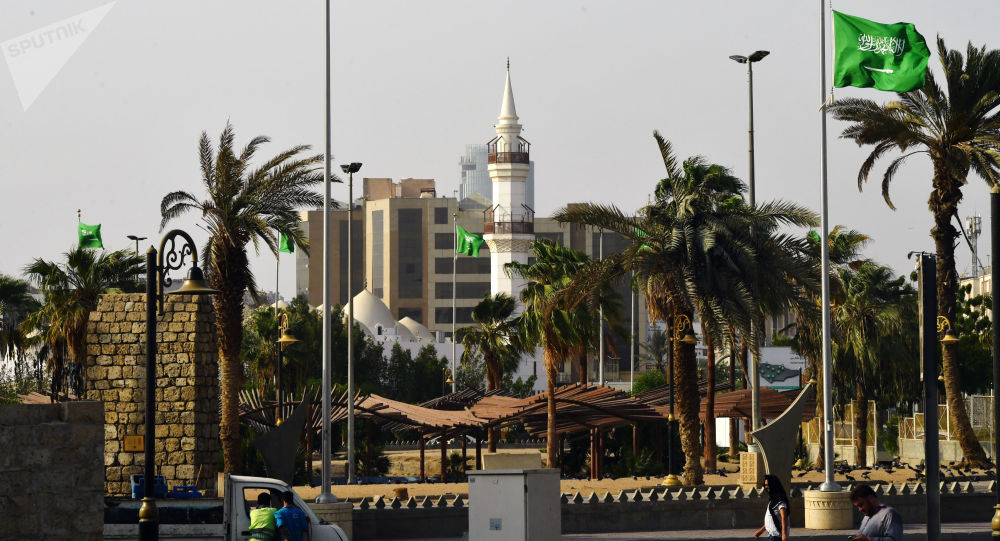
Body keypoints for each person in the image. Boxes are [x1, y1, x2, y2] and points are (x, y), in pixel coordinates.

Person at [754, 474, 790, 541]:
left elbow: (784, 517)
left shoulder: (780, 500)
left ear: (773, 485)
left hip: (777, 536)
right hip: (773, 535)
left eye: (768, 485)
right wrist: (761, 531)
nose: (766, 487)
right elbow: (771, 518)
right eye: (765, 485)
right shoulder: (773, 500)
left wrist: (784, 534)